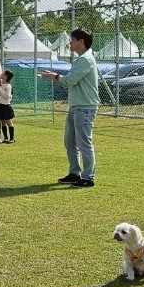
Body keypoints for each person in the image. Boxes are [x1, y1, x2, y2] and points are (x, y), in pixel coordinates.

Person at [41, 29, 99, 188]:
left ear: (81, 42)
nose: (70, 43)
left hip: (85, 108)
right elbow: (71, 80)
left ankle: (88, 177)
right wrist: (56, 76)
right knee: (70, 142)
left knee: (84, 143)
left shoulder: (85, 59)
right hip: (77, 107)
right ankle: (75, 173)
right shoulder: (82, 59)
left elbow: (70, 81)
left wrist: (55, 76)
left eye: (72, 40)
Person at [0, 70, 15, 144]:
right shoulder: (0, 85)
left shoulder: (8, 86)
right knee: (2, 122)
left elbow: (7, 96)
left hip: (6, 106)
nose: (1, 74)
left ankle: (12, 138)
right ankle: (5, 138)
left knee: (9, 122)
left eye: (3, 73)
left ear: (6, 76)